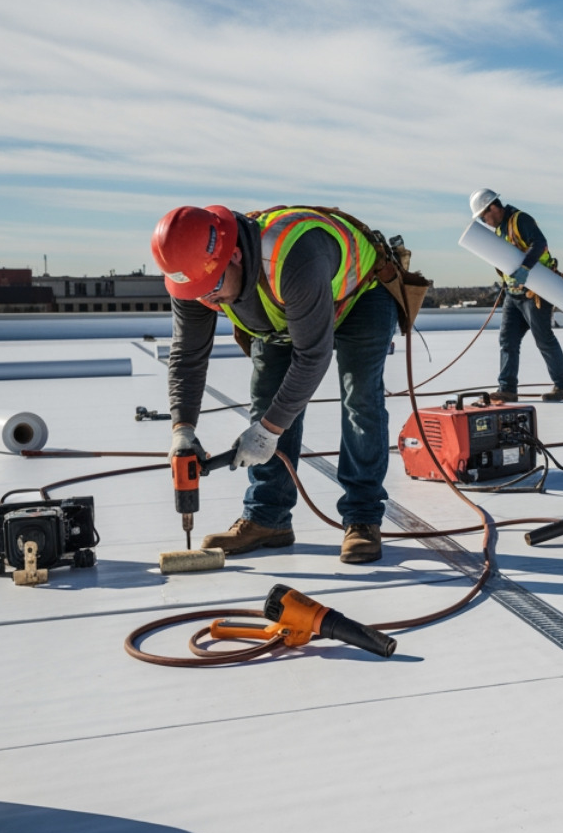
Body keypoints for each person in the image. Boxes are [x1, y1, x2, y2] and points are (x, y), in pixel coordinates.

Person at [151, 204, 402, 564]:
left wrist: (269, 431)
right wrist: (182, 429)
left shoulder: (293, 257)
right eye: (197, 292)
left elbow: (312, 357)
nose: (208, 300)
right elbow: (187, 356)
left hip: (360, 296)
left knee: (359, 398)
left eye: (214, 286)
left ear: (234, 255)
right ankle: (268, 518)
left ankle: (362, 517)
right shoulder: (195, 276)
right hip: (281, 313)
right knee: (266, 398)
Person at [468, 189, 563, 402]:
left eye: (483, 217)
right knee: (507, 340)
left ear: (493, 207)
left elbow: (540, 243)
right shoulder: (499, 231)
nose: (484, 222)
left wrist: (525, 268)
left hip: (536, 292)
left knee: (543, 339)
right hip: (513, 295)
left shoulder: (520, 220)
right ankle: (507, 388)